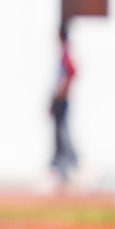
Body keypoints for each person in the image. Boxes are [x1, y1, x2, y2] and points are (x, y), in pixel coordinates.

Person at [50, 22, 78, 186]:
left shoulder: (66, 53)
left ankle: (71, 166)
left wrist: (62, 94)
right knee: (60, 134)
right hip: (59, 99)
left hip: (62, 99)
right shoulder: (62, 53)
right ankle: (63, 171)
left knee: (63, 133)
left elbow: (72, 72)